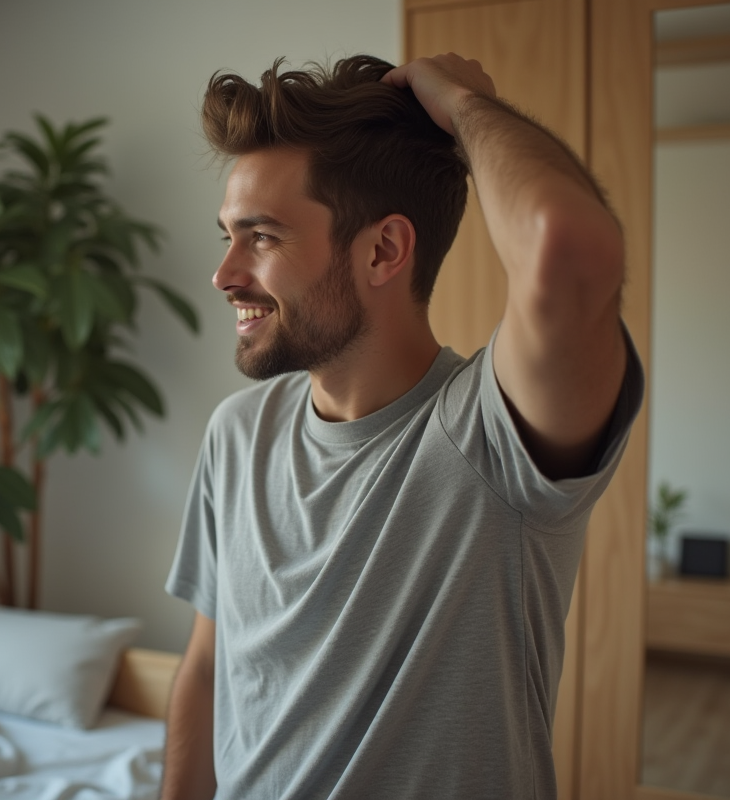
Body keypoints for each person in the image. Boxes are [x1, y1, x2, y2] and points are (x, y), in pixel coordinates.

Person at [161, 53, 644, 799]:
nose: (225, 274)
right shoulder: (237, 435)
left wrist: (463, 105)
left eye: (261, 237)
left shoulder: (492, 438)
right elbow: (204, 669)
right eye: (227, 235)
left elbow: (568, 247)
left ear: (384, 250)